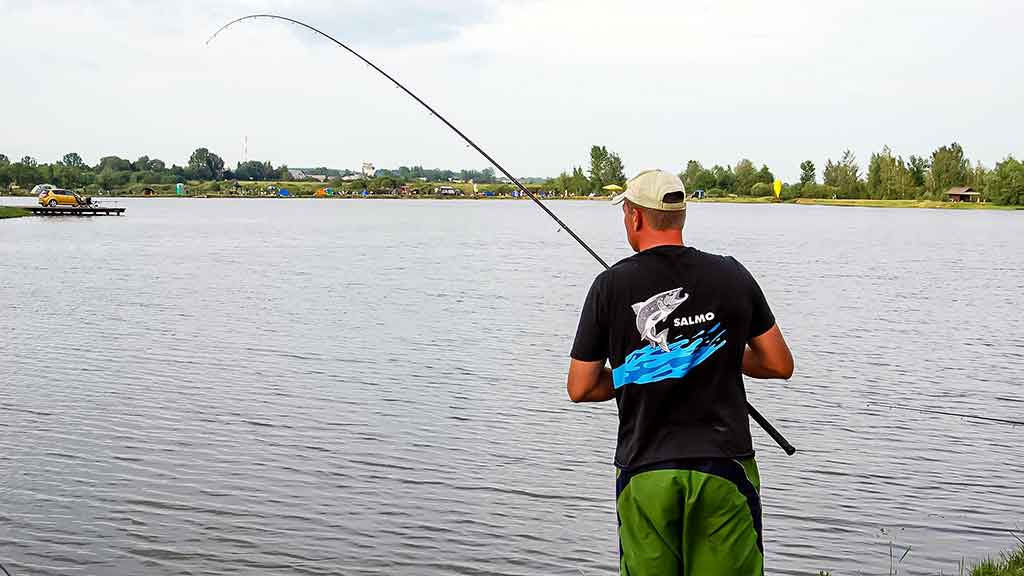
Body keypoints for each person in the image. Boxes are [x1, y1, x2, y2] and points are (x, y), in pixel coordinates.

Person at [567, 169, 794, 576]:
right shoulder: (732, 274)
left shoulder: (609, 285)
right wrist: (715, 345)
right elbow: (779, 363)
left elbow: (580, 387)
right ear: (680, 216)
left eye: (625, 215)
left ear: (635, 217)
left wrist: (634, 370)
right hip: (725, 467)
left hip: (646, 470)